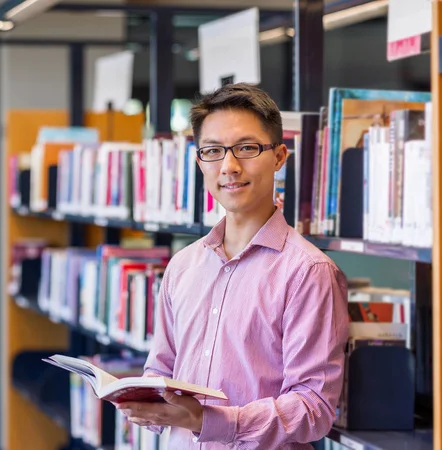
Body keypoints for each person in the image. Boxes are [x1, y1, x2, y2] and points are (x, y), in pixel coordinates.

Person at [116, 83, 349, 449]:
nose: (229, 166)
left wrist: (208, 420)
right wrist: (141, 400)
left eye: (246, 148)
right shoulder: (183, 266)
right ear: (199, 161)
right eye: (213, 151)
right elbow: (160, 369)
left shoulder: (308, 272)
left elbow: (313, 408)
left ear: (279, 156)